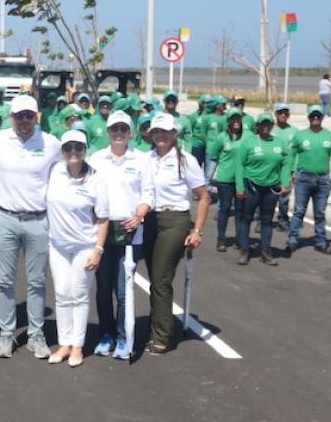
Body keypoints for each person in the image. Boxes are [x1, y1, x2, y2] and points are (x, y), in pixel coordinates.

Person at [0, 94, 57, 359]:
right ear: (11, 117)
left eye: (29, 115)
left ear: (36, 116)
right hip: (5, 219)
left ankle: (36, 336)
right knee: (4, 282)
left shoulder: (51, 143)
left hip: (38, 220)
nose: (24, 120)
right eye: (19, 116)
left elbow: (63, 174)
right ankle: (6, 335)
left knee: (37, 281)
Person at [88, 110, 153, 360]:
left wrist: (138, 216)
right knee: (103, 288)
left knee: (124, 289)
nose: (118, 134)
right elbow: (89, 192)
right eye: (114, 129)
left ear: (131, 133)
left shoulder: (141, 160)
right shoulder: (96, 159)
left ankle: (124, 337)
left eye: (123, 130)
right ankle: (106, 334)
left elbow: (148, 193)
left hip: (129, 233)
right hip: (103, 232)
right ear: (107, 132)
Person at [143, 113, 209, 355]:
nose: (161, 136)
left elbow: (203, 197)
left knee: (161, 279)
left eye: (166, 131)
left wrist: (197, 230)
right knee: (154, 278)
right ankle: (156, 325)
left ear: (175, 134)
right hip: (150, 220)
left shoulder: (185, 160)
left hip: (174, 220)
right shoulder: (146, 159)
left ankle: (162, 336)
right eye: (156, 131)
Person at [45, 130, 107, 367]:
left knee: (79, 294)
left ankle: (78, 346)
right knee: (62, 293)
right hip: (58, 245)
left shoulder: (95, 179)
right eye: (68, 148)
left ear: (84, 150)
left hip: (85, 245)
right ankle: (64, 343)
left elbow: (103, 218)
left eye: (78, 148)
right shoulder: (55, 172)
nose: (73, 152)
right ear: (62, 151)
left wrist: (98, 250)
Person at [234, 112, 290, 265]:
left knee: (267, 220)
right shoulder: (249, 142)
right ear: (257, 126)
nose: (266, 126)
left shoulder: (279, 142)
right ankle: (244, 250)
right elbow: (239, 165)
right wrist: (240, 187)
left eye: (268, 123)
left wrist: (285, 182)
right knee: (247, 218)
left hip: (271, 188)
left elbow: (286, 162)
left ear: (272, 125)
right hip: (251, 186)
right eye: (263, 123)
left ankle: (265, 251)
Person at [284, 105, 331, 254]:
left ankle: (320, 241)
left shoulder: (330, 136)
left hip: (323, 180)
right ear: (308, 117)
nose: (315, 118)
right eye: (313, 116)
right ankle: (293, 239)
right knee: (299, 211)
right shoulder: (300, 135)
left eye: (318, 116)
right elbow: (291, 156)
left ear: (322, 118)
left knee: (320, 213)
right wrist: (289, 173)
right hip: (303, 178)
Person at [207, 109, 249, 252]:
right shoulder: (221, 138)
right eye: (233, 119)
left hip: (242, 179)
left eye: (238, 118)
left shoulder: (248, 136)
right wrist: (207, 179)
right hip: (225, 179)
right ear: (228, 121)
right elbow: (213, 156)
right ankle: (221, 238)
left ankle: (239, 238)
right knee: (224, 208)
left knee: (240, 210)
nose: (236, 121)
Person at [270, 103, 297, 232]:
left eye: (286, 113)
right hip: (271, 169)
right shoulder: (270, 130)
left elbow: (297, 153)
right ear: (276, 114)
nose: (283, 115)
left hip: (287, 169)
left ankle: (283, 220)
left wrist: (294, 170)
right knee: (267, 198)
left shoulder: (294, 132)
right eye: (280, 112)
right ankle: (262, 220)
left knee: (284, 199)